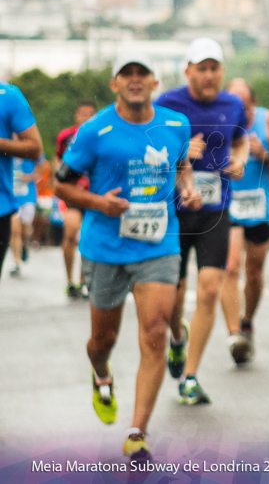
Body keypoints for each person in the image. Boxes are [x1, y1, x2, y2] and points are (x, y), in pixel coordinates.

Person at [54, 55, 201, 461]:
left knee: (154, 332)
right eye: (127, 75)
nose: (135, 81)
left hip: (158, 245)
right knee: (103, 341)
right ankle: (101, 375)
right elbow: (61, 186)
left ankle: (138, 431)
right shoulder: (93, 130)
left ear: (154, 81)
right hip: (105, 249)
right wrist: (98, 202)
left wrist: (187, 187)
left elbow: (182, 162)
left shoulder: (175, 124)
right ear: (114, 84)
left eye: (142, 74)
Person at [155, 38, 248, 405]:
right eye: (201, 68)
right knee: (174, 297)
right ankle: (177, 337)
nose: (208, 75)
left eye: (215, 68)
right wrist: (179, 152)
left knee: (210, 288)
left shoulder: (233, 104)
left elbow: (240, 141)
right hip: (173, 212)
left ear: (222, 72)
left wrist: (239, 160)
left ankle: (190, 377)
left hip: (215, 210)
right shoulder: (167, 104)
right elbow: (149, 153)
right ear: (187, 72)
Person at [221, 78, 269, 365]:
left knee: (253, 273)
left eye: (243, 103)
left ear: (253, 102)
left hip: (260, 209)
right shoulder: (218, 122)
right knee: (230, 267)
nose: (237, 109)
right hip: (228, 206)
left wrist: (263, 154)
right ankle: (234, 333)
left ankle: (247, 321)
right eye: (232, 103)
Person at [0, 81, 43, 287]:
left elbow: (36, 150)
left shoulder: (7, 95)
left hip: (10, 201)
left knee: (23, 229)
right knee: (17, 229)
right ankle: (17, 259)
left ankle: (23, 250)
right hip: (13, 199)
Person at [55, 100, 98, 298]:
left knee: (88, 238)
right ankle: (69, 281)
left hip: (95, 195)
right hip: (73, 195)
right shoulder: (65, 137)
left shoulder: (102, 133)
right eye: (83, 114)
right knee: (71, 233)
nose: (86, 118)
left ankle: (84, 281)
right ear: (76, 116)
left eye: (90, 114)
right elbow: (58, 161)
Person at [9, 151, 48, 276]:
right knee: (15, 230)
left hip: (27, 197)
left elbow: (45, 167)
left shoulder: (28, 146)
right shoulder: (6, 146)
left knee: (25, 231)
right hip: (12, 197)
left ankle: (24, 246)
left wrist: (31, 177)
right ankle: (16, 263)